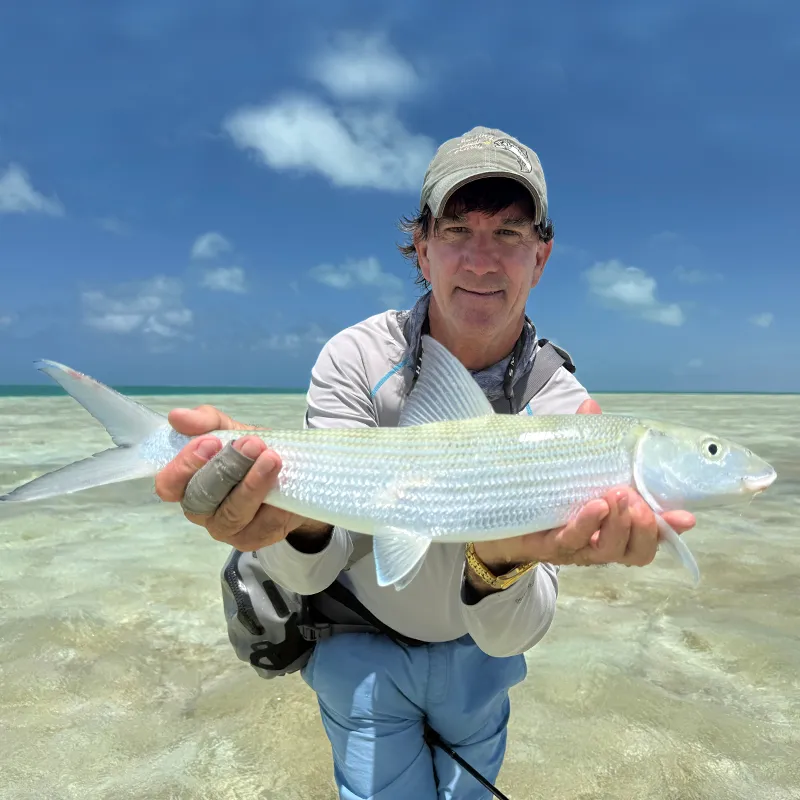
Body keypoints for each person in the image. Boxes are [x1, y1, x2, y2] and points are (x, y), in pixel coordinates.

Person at [154, 126, 695, 799]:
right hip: (360, 646)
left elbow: (512, 636)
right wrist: (292, 522)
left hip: (478, 660)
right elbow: (316, 567)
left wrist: (500, 560)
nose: (480, 260)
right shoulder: (355, 357)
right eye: (457, 231)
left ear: (542, 255)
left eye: (509, 234)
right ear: (422, 246)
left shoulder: (565, 410)